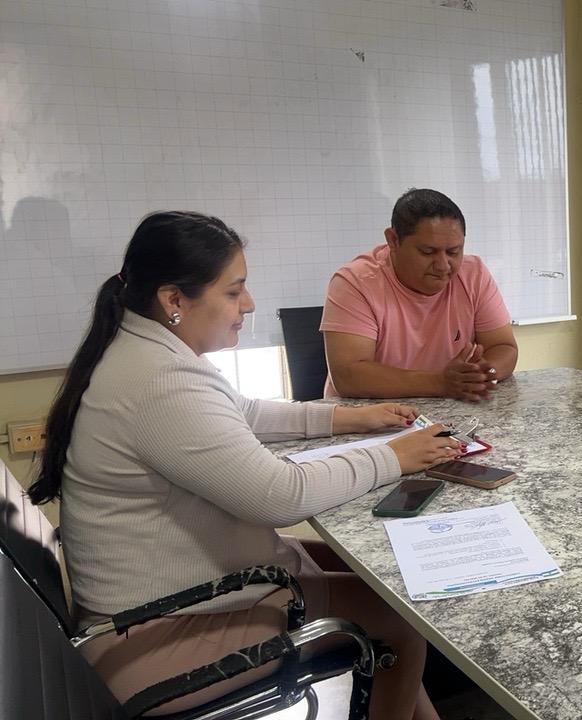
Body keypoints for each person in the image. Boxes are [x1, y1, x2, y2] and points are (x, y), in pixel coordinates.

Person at [28, 211, 462, 719]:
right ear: (173, 299)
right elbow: (280, 495)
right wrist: (394, 455)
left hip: (177, 596)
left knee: (379, 576)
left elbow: (244, 411)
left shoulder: (150, 349)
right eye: (234, 291)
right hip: (155, 631)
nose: (249, 304)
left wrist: (349, 417)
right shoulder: (159, 380)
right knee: (399, 621)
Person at [322, 188, 518, 400]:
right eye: (428, 252)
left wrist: (482, 375)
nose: (443, 266)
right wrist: (440, 383)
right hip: (369, 412)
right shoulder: (355, 282)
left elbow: (503, 346)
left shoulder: (473, 274)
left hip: (451, 403)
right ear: (393, 240)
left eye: (453, 252)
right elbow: (348, 376)